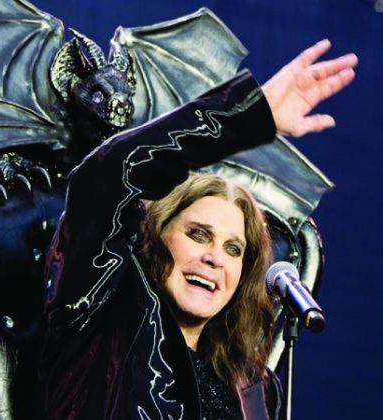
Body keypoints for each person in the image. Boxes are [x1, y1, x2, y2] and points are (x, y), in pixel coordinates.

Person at [39, 39, 357, 419]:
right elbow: (106, 177)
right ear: (156, 235)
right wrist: (244, 116)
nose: (214, 258)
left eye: (233, 249)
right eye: (198, 235)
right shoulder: (99, 321)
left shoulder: (256, 388)